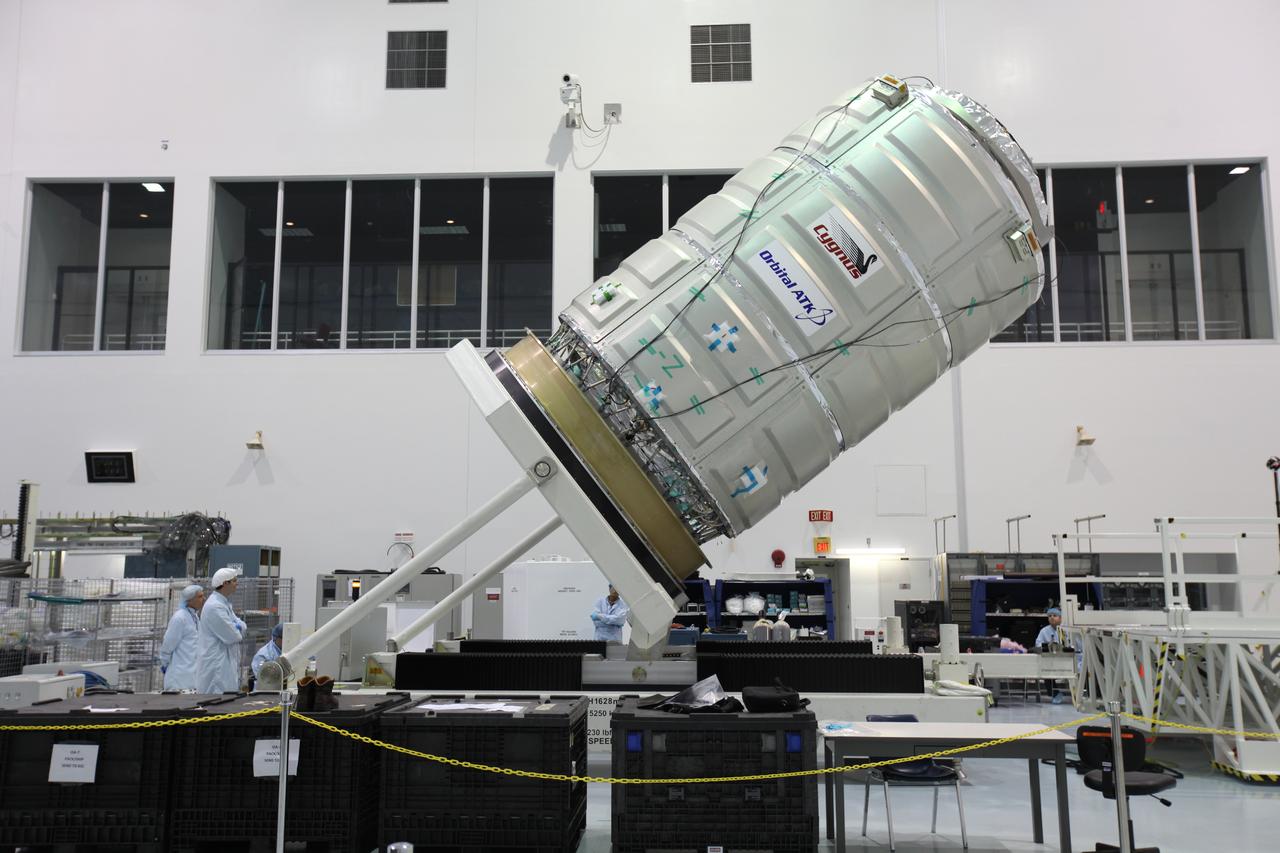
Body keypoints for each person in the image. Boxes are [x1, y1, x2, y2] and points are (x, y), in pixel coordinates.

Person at [196, 567, 247, 693]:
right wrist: (237, 627)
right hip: (216, 666)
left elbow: (243, 626)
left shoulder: (223, 604)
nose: (237, 583)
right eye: (234, 581)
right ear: (225, 583)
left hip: (224, 662)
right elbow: (234, 636)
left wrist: (237, 626)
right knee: (216, 703)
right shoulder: (215, 607)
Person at [158, 584, 205, 691]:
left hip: (191, 673)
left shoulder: (194, 617)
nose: (203, 599)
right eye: (200, 596)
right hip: (178, 676)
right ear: (189, 600)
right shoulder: (179, 618)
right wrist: (164, 662)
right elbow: (168, 644)